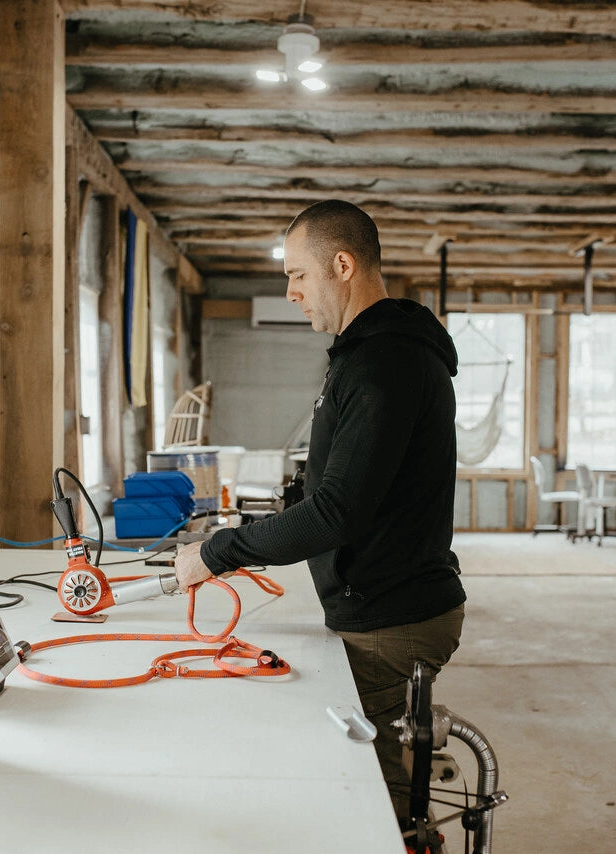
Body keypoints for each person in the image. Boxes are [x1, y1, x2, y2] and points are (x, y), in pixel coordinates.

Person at [174, 199, 467, 824]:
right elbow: (336, 492)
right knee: (374, 792)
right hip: (386, 602)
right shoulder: (374, 353)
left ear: (342, 264)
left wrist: (216, 553)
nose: (290, 292)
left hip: (390, 617)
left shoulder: (382, 360)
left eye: (298, 275)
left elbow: (336, 512)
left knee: (377, 811)